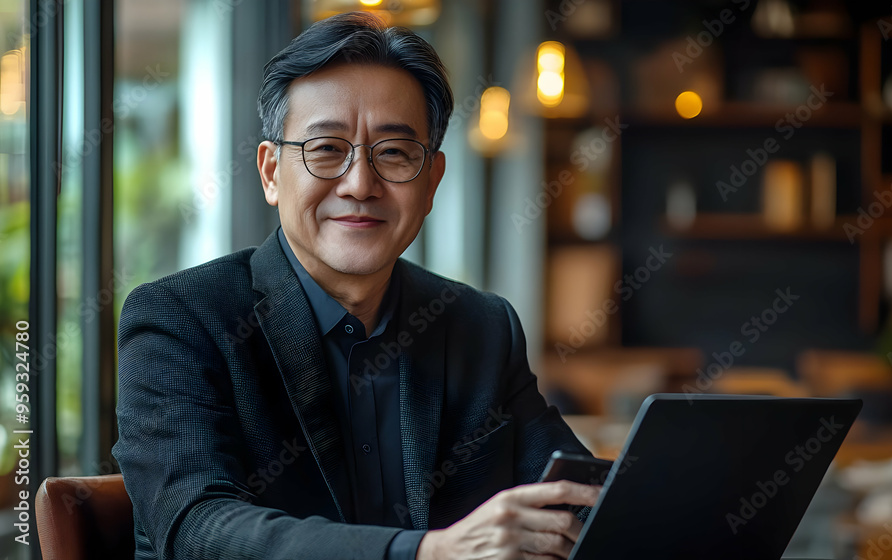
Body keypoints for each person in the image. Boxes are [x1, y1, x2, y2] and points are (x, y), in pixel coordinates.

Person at [113, 11, 599, 560]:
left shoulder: (480, 326)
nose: (361, 184)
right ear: (272, 172)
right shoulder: (180, 320)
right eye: (325, 150)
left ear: (433, 179)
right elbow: (198, 527)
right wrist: (426, 553)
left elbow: (579, 501)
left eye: (393, 153)